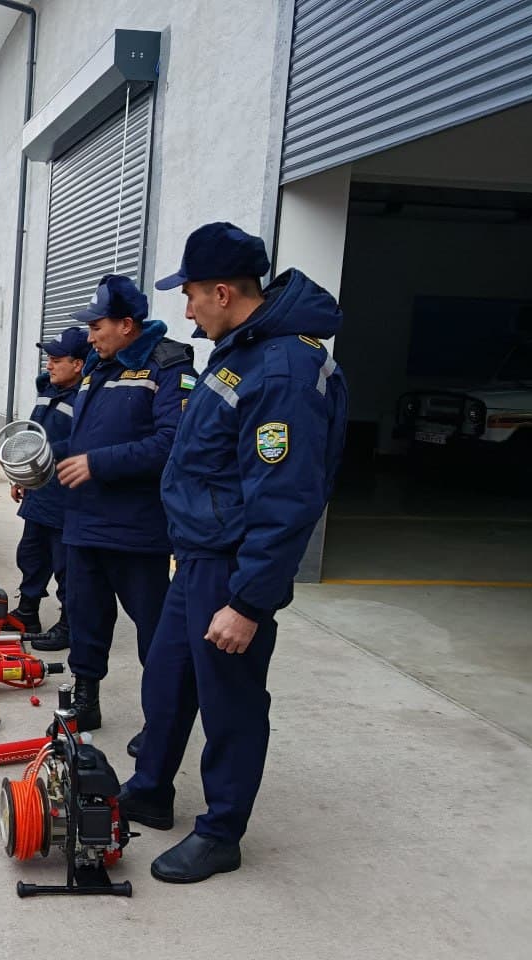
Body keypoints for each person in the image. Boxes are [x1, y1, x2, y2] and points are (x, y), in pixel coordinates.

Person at [119, 222, 348, 883]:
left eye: (190, 295)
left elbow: (286, 499)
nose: (184, 309)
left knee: (230, 701)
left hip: (232, 565)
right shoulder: (239, 349)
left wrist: (248, 602)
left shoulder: (282, 368)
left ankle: (221, 832)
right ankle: (151, 790)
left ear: (222, 291)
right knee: (167, 681)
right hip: (197, 557)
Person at [53, 275, 196, 754]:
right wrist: (39, 461)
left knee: (156, 632)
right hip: (84, 522)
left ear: (127, 324)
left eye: (97, 326)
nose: (89, 337)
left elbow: (171, 443)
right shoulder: (99, 366)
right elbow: (82, 440)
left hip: (137, 529)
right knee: (86, 616)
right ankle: (86, 697)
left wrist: (98, 464)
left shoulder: (169, 365)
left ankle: (161, 721)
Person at [9, 326, 90, 647]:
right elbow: (32, 434)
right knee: (31, 554)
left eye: (57, 359)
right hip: (40, 491)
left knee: (65, 564)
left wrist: (43, 455)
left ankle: (70, 625)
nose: (49, 364)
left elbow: (81, 443)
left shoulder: (86, 398)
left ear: (79, 364)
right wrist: (22, 475)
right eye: (49, 358)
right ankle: (27, 611)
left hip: (65, 498)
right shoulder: (49, 391)